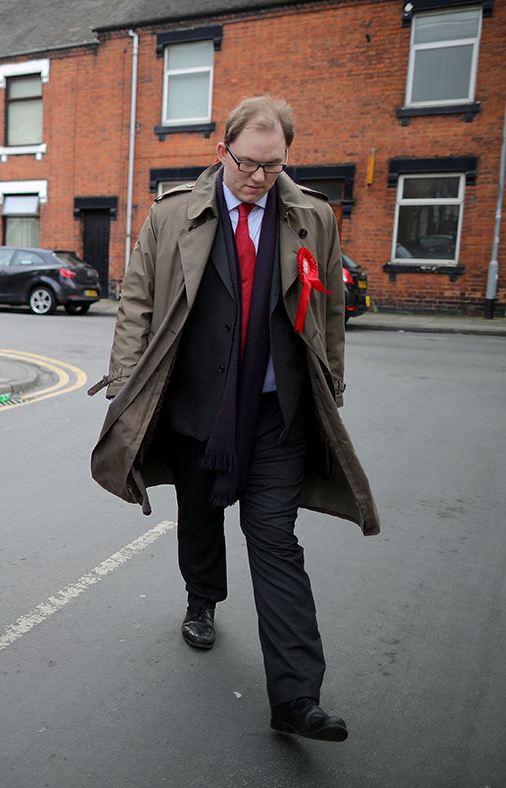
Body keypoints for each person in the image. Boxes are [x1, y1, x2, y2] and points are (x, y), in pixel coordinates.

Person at [89, 97, 380, 740]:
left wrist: (331, 379)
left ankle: (296, 698)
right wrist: (126, 382)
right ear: (223, 151)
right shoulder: (173, 215)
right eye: (248, 163)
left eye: (273, 166)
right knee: (199, 517)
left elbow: (325, 310)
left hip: (279, 414)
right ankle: (203, 597)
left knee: (275, 540)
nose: (259, 177)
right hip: (197, 408)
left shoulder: (313, 217)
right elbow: (137, 300)